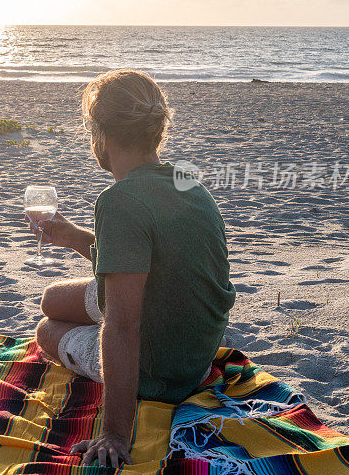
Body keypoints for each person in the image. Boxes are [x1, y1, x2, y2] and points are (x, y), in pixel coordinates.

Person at [29, 69, 234, 468]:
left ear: (100, 135)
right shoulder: (186, 179)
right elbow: (158, 255)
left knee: (47, 330)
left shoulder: (119, 199)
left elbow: (123, 324)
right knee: (52, 297)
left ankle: (124, 395)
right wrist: (73, 236)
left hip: (164, 371)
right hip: (195, 345)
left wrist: (115, 434)